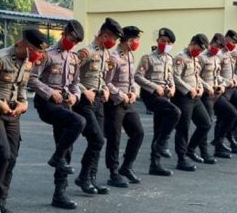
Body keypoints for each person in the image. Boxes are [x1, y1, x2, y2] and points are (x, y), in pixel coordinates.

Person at [0, 28, 49, 213]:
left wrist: (23, 103)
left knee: (12, 158)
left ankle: (1, 201)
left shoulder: (28, 62)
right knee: (3, 154)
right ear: (23, 44)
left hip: (13, 114)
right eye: (35, 50)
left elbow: (22, 87)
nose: (38, 55)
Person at [29, 20, 86, 209]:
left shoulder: (75, 58)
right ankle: (56, 157)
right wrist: (49, 92)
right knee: (78, 122)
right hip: (46, 103)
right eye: (71, 39)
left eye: (76, 42)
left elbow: (75, 82)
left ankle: (59, 194)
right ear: (64, 34)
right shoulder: (47, 55)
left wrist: (75, 96)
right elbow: (32, 79)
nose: (73, 44)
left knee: (66, 146)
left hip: (64, 103)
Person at [74, 17, 124, 194]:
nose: (114, 43)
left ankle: (91, 178)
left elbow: (101, 77)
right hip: (85, 101)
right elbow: (71, 76)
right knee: (97, 139)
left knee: (98, 140)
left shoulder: (105, 53)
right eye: (113, 39)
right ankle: (83, 177)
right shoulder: (85, 52)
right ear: (104, 35)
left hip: (99, 101)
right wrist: (82, 90)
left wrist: (105, 88)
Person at [135, 27, 181, 176]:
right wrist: (154, 87)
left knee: (159, 127)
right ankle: (162, 144)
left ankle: (155, 165)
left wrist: (172, 88)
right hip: (150, 95)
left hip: (164, 96)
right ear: (157, 41)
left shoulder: (169, 59)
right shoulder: (148, 58)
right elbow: (138, 76)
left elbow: (170, 77)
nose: (165, 44)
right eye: (163, 41)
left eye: (168, 42)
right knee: (175, 112)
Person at [103, 25, 145, 187]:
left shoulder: (130, 56)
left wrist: (134, 92)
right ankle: (113, 172)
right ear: (128, 40)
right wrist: (121, 96)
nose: (137, 43)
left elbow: (131, 79)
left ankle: (126, 166)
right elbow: (106, 83)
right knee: (115, 138)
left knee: (138, 133)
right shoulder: (114, 58)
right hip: (115, 103)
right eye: (135, 40)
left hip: (128, 102)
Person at [173, 33, 214, 169]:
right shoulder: (180, 57)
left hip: (196, 97)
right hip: (183, 97)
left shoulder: (195, 58)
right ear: (192, 43)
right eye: (199, 48)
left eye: (202, 50)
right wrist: (189, 89)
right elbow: (176, 78)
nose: (200, 52)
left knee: (206, 124)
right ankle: (181, 159)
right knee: (183, 129)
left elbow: (197, 76)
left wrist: (201, 87)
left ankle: (190, 149)